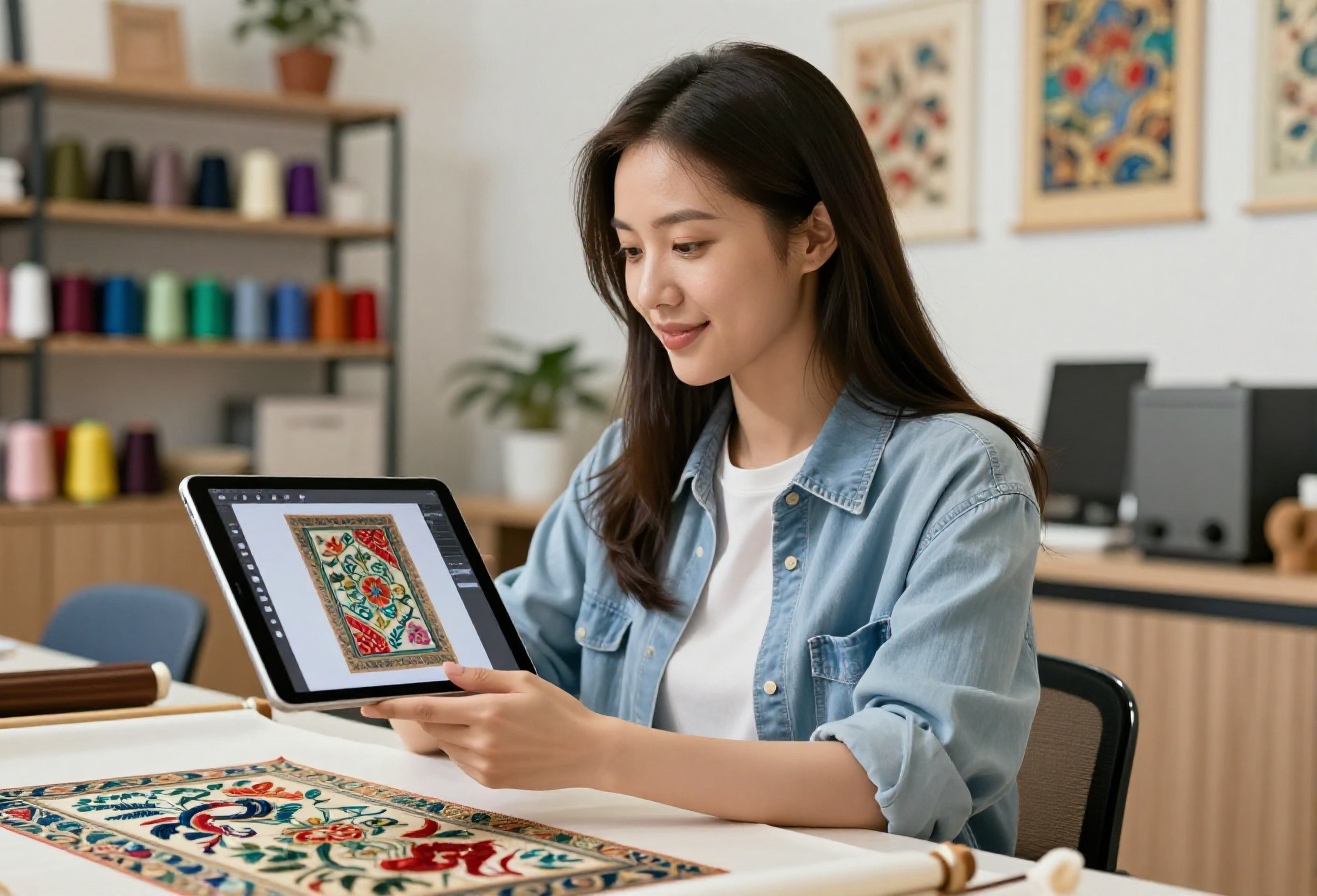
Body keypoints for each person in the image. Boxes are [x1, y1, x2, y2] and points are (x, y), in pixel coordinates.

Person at [362, 41, 1044, 854]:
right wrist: (427, 690)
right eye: (631, 249)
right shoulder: (627, 464)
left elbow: (904, 778)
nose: (651, 289)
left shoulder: (962, 479)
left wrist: (593, 750)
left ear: (813, 237)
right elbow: (495, 671)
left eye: (688, 245)